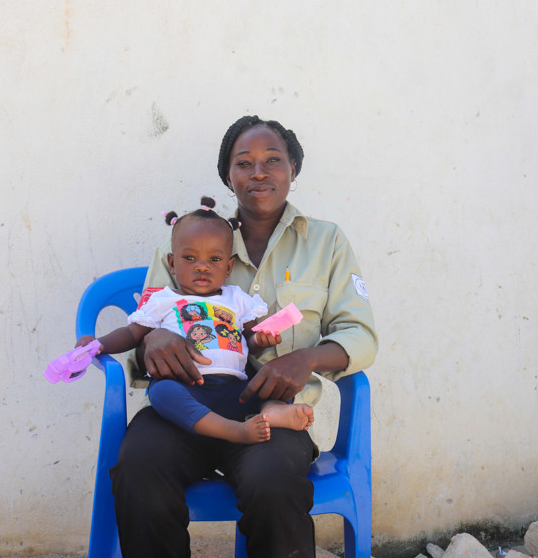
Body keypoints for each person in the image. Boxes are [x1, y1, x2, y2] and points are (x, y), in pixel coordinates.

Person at [104, 115, 377, 558]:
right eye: (243, 163)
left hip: (271, 415)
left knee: (275, 483)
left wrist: (304, 359)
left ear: (293, 168)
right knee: (139, 467)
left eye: (273, 160)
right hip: (185, 405)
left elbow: (360, 334)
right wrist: (149, 341)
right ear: (227, 176)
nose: (259, 173)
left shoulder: (326, 243)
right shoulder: (185, 242)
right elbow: (145, 323)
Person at [77, 197, 315, 444]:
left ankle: (272, 411)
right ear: (171, 263)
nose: (202, 267)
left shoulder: (238, 299)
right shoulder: (163, 300)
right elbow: (131, 334)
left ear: (229, 267)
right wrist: (97, 344)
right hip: (188, 386)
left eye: (214, 260)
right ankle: (234, 431)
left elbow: (247, 343)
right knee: (162, 391)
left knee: (270, 381)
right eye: (190, 258)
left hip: (236, 388)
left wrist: (261, 339)